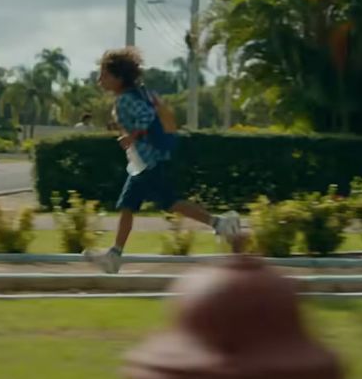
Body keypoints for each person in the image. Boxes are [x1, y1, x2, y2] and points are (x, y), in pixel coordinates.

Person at [85, 46, 245, 273]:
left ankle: (220, 223)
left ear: (119, 77)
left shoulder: (124, 100)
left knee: (169, 202)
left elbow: (146, 117)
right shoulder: (138, 93)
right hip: (144, 163)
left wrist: (131, 135)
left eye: (105, 75)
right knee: (128, 206)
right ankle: (114, 255)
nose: (100, 79)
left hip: (149, 163)